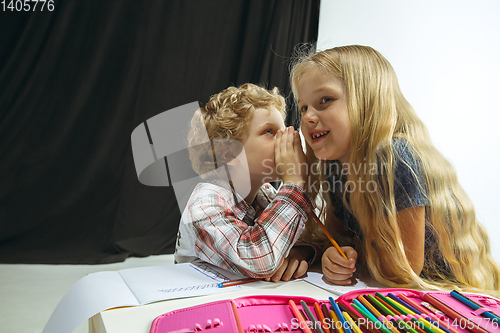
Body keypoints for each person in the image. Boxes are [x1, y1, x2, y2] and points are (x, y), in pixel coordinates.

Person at [290, 44, 500, 295]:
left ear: (367, 100)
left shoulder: (397, 158)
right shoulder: (334, 168)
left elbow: (401, 270)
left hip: (444, 297)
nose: (308, 117)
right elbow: (340, 238)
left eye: (325, 100)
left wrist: (349, 257)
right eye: (303, 108)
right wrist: (332, 254)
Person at [174, 83, 315, 281]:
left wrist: (300, 253)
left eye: (283, 129)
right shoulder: (205, 202)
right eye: (270, 131)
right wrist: (294, 185)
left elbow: (304, 239)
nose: (286, 138)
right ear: (230, 152)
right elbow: (259, 260)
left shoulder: (264, 194)